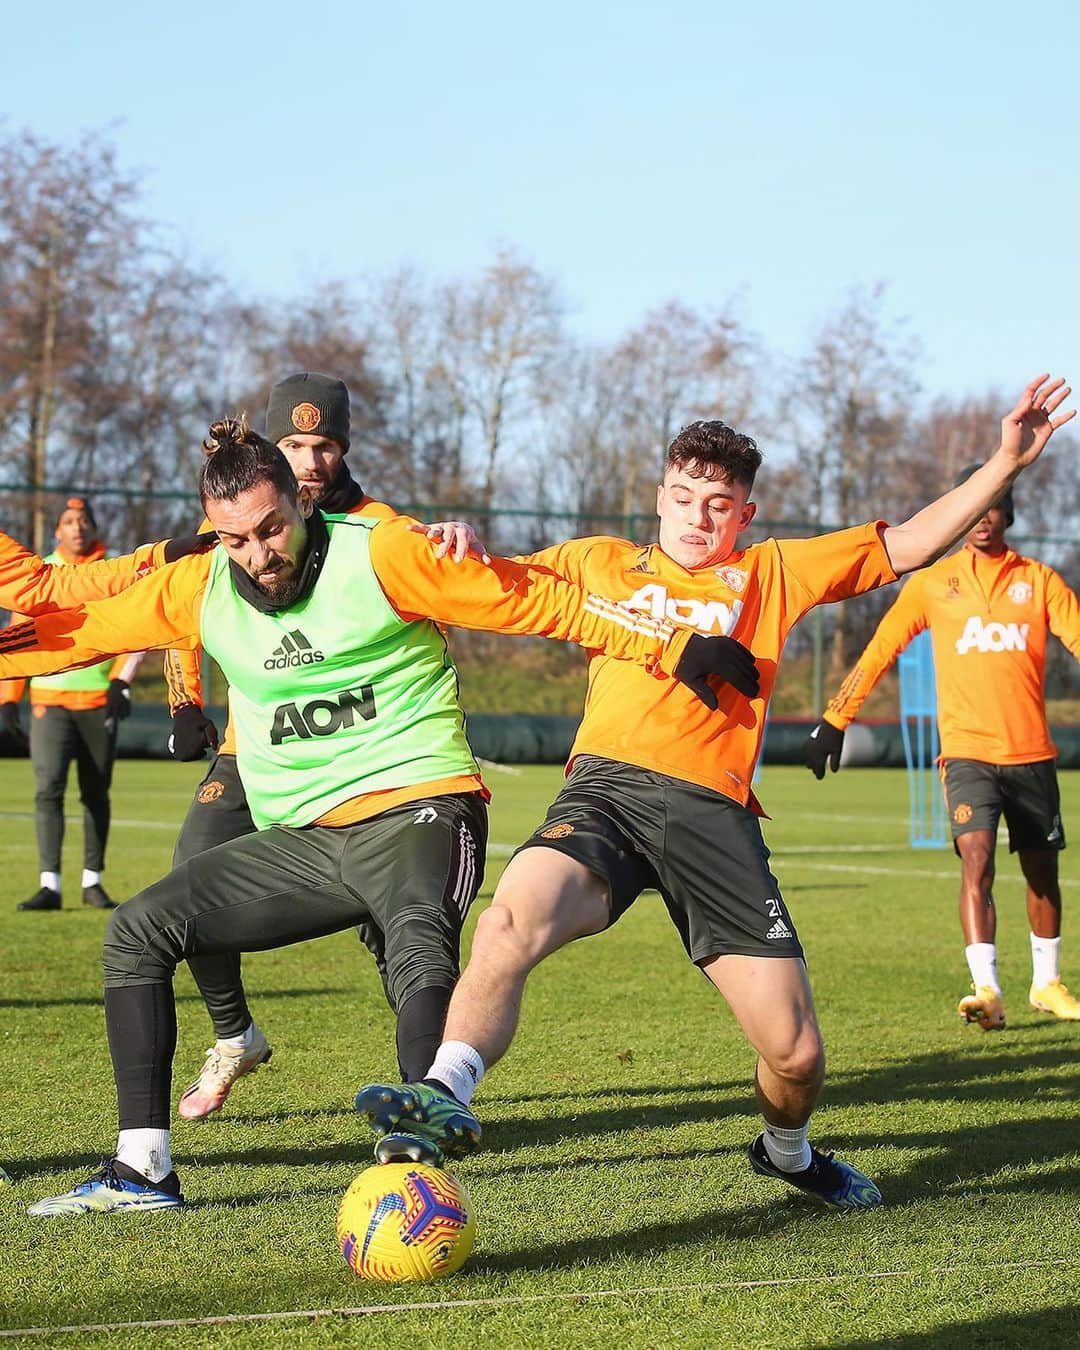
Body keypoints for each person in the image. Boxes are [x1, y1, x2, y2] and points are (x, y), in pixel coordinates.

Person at [355, 373, 1073, 1212]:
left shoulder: (773, 574)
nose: (699, 517)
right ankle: (446, 1092)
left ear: (745, 515)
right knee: (509, 919)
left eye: (719, 503)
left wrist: (1004, 462)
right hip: (606, 799)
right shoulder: (598, 563)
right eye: (686, 497)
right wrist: (456, 534)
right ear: (659, 498)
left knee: (797, 1055)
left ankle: (788, 1151)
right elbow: (493, 583)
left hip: (713, 819)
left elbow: (910, 542)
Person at [0, 417, 748, 1215]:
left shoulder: (384, 553)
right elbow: (76, 632)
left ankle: (418, 1160)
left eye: (271, 529)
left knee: (417, 941)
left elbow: (540, 602)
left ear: (301, 502)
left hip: (420, 807)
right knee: (136, 930)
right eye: (235, 539)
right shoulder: (202, 582)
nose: (258, 555)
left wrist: (674, 646)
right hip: (309, 838)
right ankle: (143, 1171)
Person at [163, 371, 483, 1121]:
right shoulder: (244, 514)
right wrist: (185, 699)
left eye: (326, 445)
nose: (311, 460)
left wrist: (458, 542)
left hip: (369, 766)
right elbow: (184, 599)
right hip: (255, 752)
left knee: (403, 931)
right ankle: (235, 1034)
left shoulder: (381, 528)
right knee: (187, 881)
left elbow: (432, 603)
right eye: (296, 444)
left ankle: (429, 1095)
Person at [805, 464, 1080, 1031]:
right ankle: (987, 989)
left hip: (1031, 754)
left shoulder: (1041, 581)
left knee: (1041, 874)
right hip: (966, 754)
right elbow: (882, 646)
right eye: (973, 509)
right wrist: (836, 718)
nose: (982, 520)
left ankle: (1047, 982)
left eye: (994, 507)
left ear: (1009, 513)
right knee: (975, 858)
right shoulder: (933, 583)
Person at [0, 497, 145, 911]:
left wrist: (122, 682)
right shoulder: (38, 573)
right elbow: (17, 636)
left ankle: (92, 882)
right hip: (48, 702)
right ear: (56, 531)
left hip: (99, 703)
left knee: (96, 792)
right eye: (68, 521)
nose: (77, 527)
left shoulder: (114, 572)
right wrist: (10, 697)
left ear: (93, 528)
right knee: (48, 791)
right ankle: (50, 884)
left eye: (84, 520)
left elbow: (137, 628)